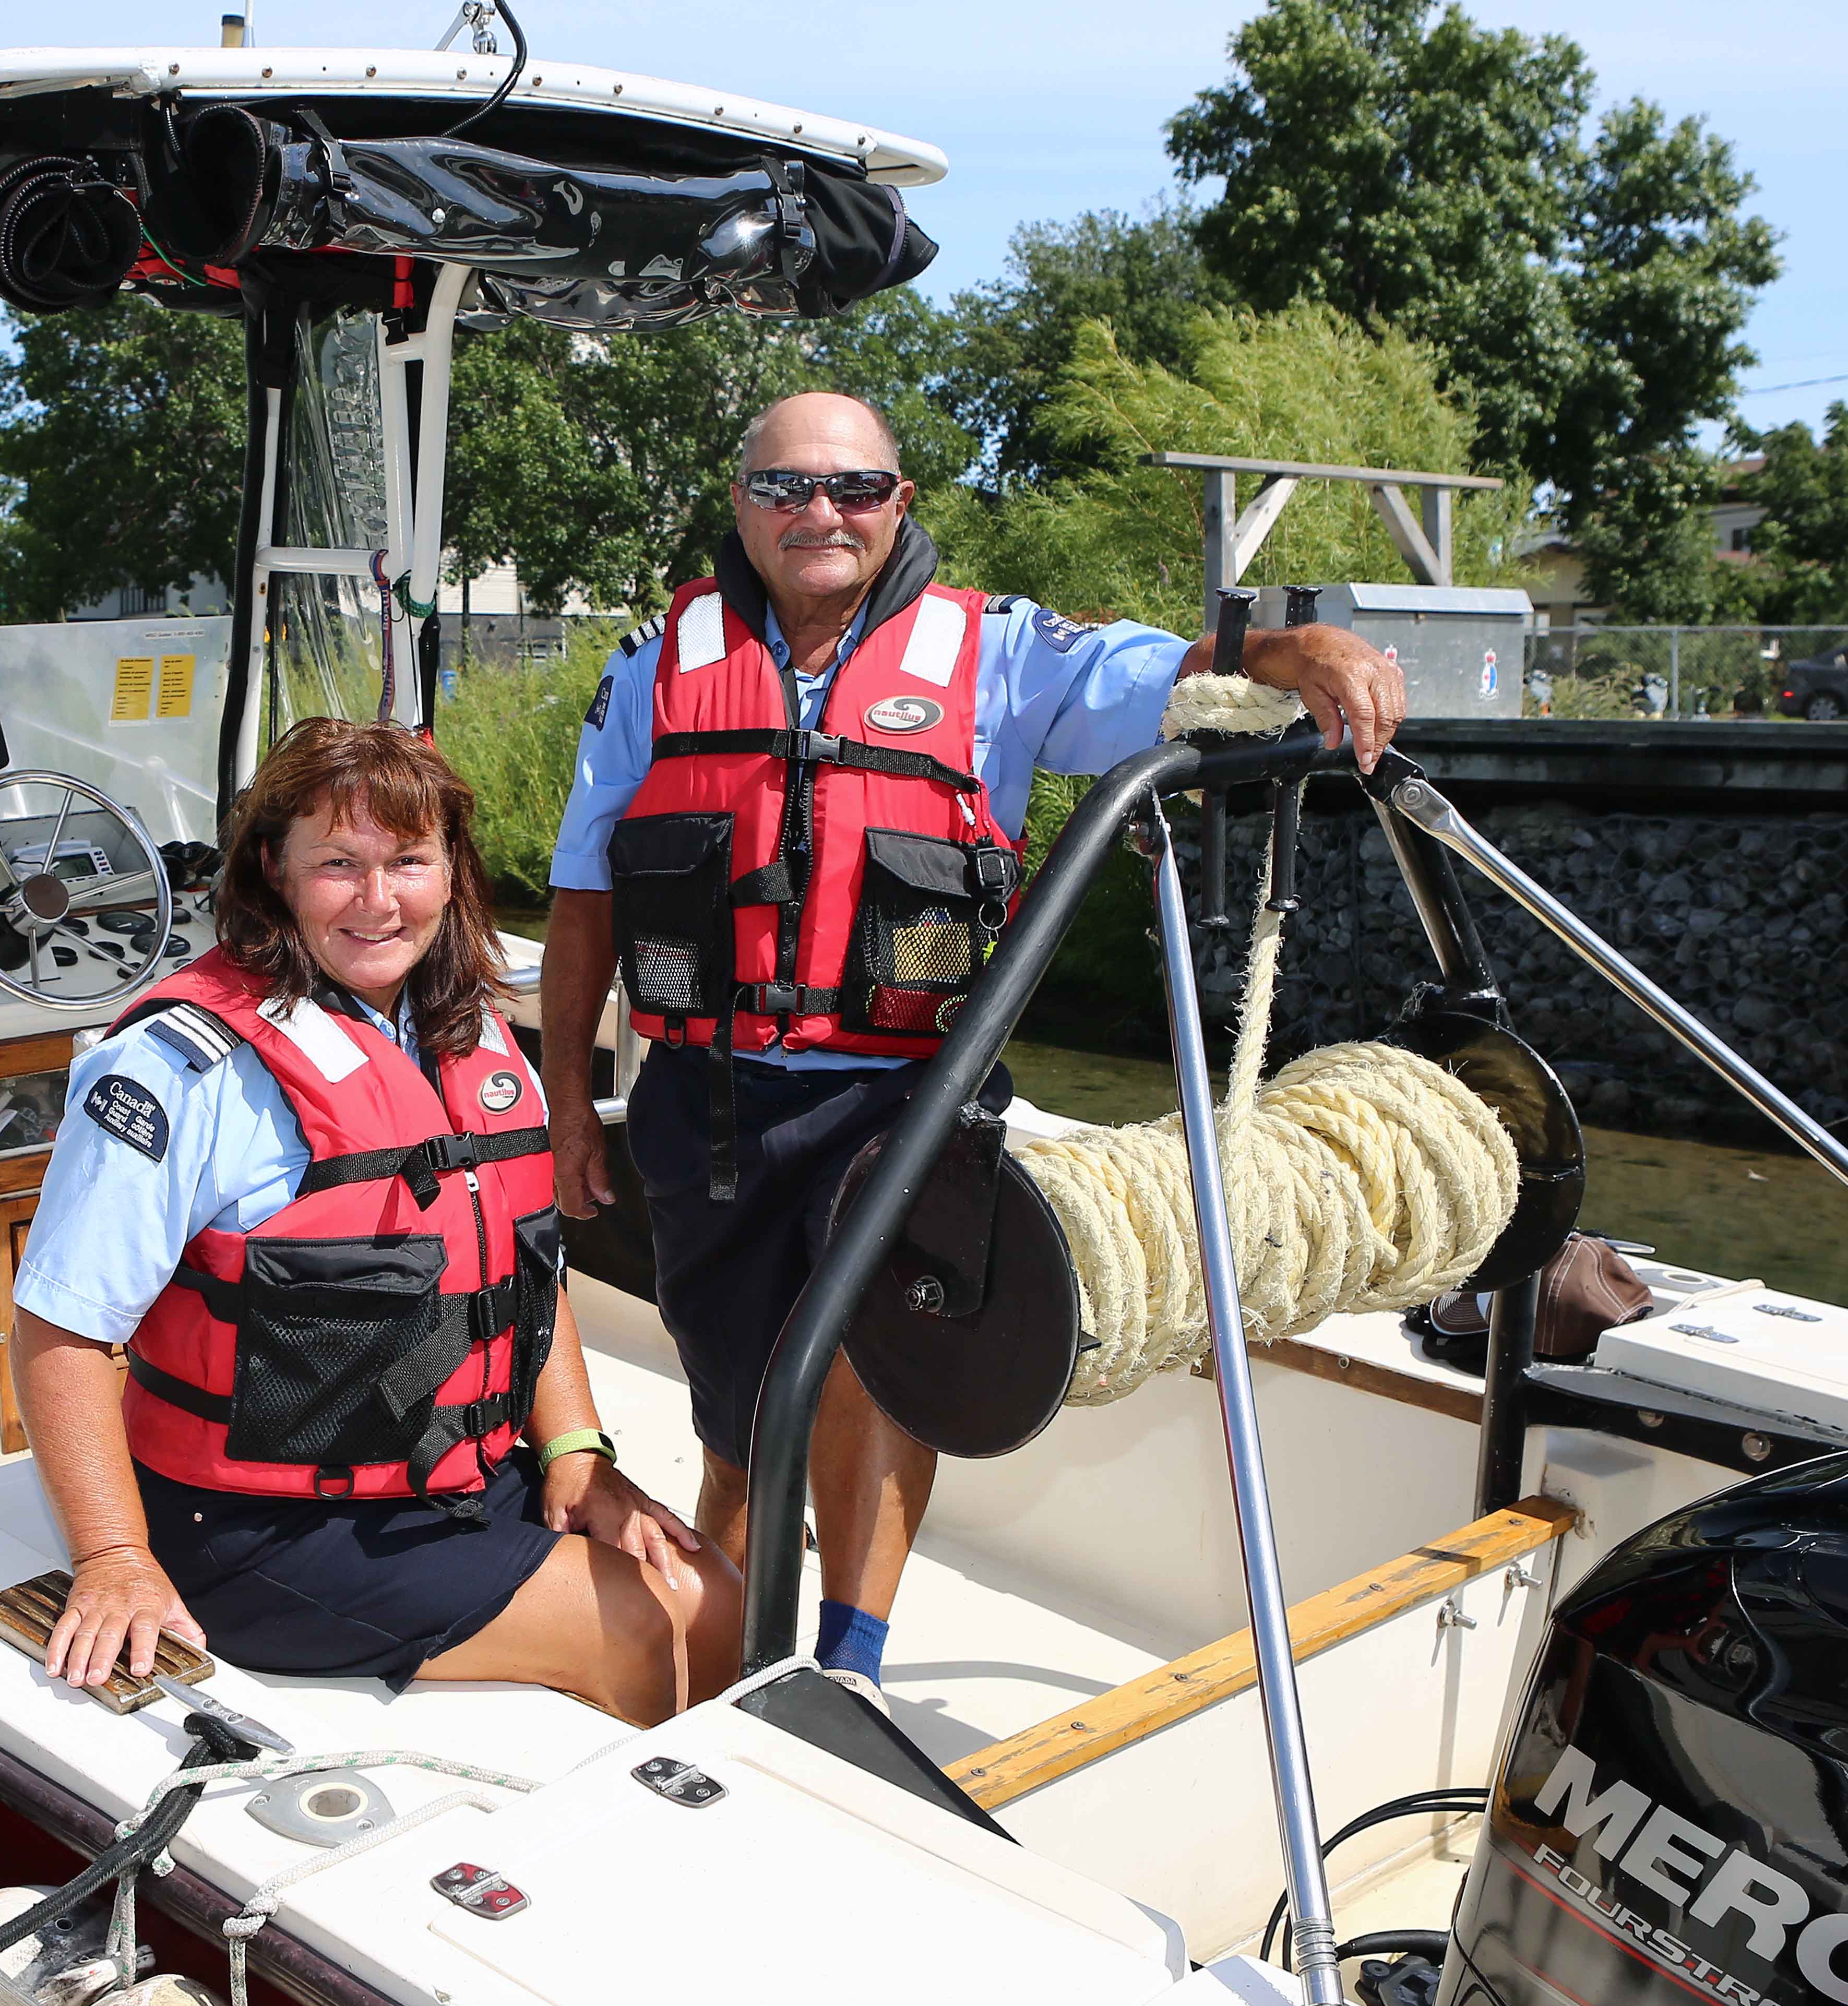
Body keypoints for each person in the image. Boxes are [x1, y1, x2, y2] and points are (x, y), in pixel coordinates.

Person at [536, 390, 1406, 1691]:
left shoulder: (997, 651)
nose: (821, 512)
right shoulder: (655, 662)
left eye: (855, 488)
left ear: (899, 503)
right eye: (785, 487)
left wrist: (1296, 647)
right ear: (741, 504)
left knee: (880, 1358)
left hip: (910, 1098)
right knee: (739, 1408)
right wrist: (567, 1100)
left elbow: (1159, 673)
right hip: (710, 1103)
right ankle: (723, 1647)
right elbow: (585, 893)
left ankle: (851, 1662)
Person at [8, 717, 740, 1725]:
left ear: (452, 870)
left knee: (714, 1593)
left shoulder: (471, 1037)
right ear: (274, 869)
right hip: (255, 1525)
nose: (379, 899)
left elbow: (525, 1275)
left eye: (409, 861)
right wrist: (112, 1556)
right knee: (656, 1622)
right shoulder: (177, 1069)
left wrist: (577, 1452)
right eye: (339, 864)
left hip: (450, 1480)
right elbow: (59, 1329)